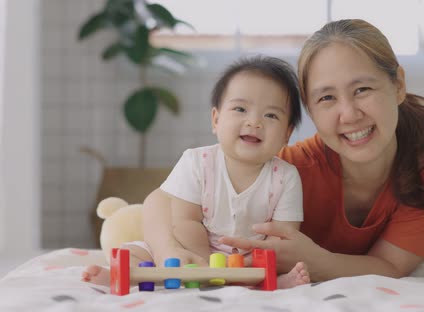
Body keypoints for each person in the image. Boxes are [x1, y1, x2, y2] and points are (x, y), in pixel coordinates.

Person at [149, 18, 424, 282]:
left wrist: (318, 261)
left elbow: (394, 266)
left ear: (398, 84)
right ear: (310, 111)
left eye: (362, 89)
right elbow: (158, 203)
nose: (349, 114)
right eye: (326, 98)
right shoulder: (292, 168)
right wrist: (169, 253)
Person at [82, 56, 310, 289]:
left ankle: (272, 281)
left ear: (287, 134)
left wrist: (247, 264)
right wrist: (200, 264)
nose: (254, 122)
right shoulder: (197, 162)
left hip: (249, 259)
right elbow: (185, 220)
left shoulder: (286, 177)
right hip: (190, 248)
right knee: (133, 252)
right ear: (216, 120)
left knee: (282, 260)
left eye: (271, 115)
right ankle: (117, 274)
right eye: (240, 109)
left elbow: (282, 236)